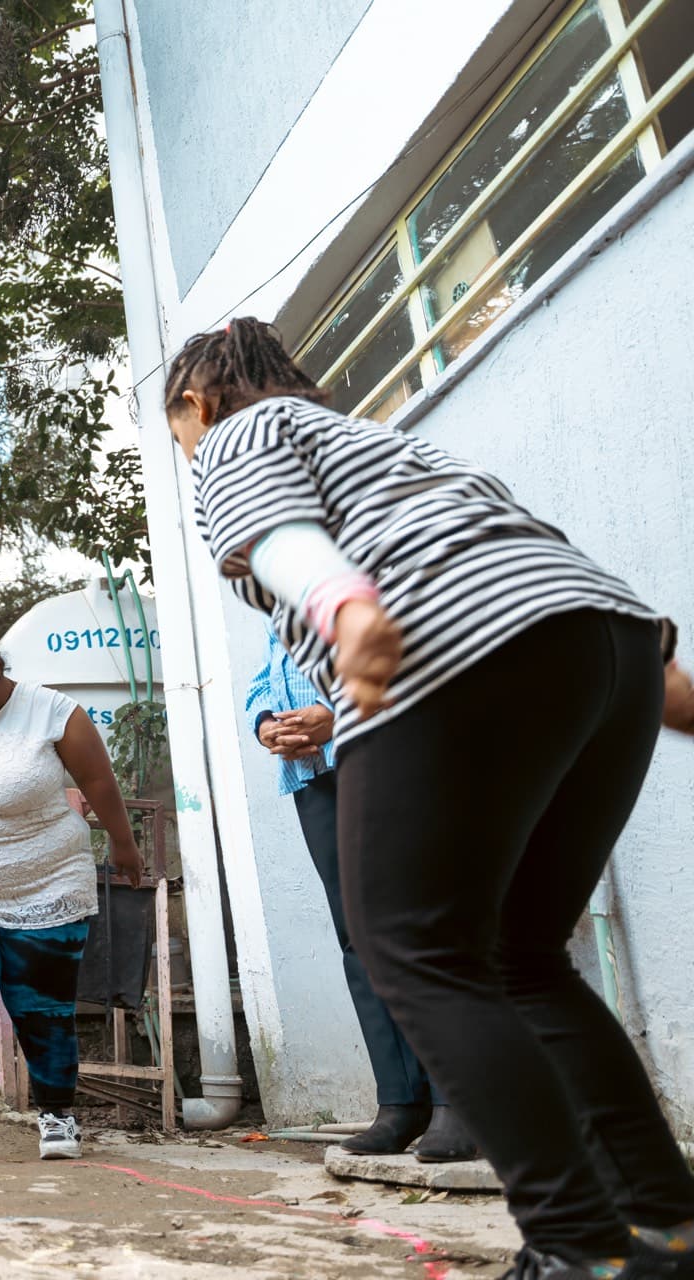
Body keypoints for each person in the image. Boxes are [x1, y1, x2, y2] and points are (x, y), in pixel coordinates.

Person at [167, 317, 694, 1280]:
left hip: (438, 645)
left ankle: (576, 1244)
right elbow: (523, 551)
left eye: (182, 441)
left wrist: (344, 608)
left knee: (412, 948)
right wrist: (659, 676)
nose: (191, 459)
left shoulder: (240, 432)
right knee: (523, 959)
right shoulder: (394, 447)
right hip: (607, 645)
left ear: (197, 406)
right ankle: (666, 1231)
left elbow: (277, 531)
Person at [0, 622, 144, 1163]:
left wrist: (124, 844)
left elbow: (99, 782)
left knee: (41, 1006)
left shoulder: (53, 713)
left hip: (45, 881)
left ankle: (58, 1116)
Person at [246, 627, 476, 1163]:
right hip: (313, 774)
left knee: (419, 931)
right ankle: (402, 1102)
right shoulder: (282, 599)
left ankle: (460, 1104)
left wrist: (338, 713)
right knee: (360, 939)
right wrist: (266, 726)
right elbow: (265, 678)